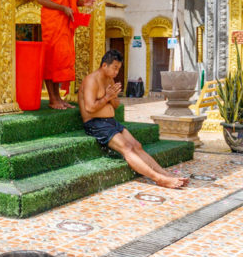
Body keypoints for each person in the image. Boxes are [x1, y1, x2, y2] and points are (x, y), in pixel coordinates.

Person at [79, 50, 189, 189]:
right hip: (95, 123)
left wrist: (112, 97)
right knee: (127, 148)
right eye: (115, 68)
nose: (116, 72)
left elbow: (117, 104)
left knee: (137, 145)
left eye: (119, 69)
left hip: (110, 121)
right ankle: (158, 179)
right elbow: (89, 108)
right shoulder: (91, 80)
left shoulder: (109, 80)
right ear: (104, 65)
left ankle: (164, 174)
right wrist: (107, 97)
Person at [37, 0, 96, 109]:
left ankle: (59, 97)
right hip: (52, 20)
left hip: (64, 21)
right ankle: (53, 99)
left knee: (61, 58)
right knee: (51, 58)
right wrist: (62, 8)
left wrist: (83, 2)